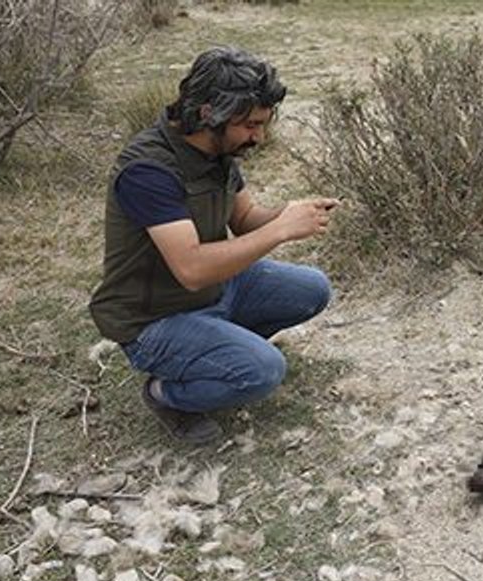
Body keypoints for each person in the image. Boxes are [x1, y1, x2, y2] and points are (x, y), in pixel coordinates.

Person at [89, 47, 339, 444]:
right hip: (153, 318)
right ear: (209, 114)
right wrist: (281, 231)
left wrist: (290, 214)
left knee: (313, 289)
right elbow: (192, 269)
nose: (259, 137)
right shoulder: (148, 170)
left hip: (212, 293)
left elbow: (244, 221)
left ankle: (214, 350)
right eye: (251, 125)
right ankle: (166, 394)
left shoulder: (218, 149)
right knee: (263, 371)